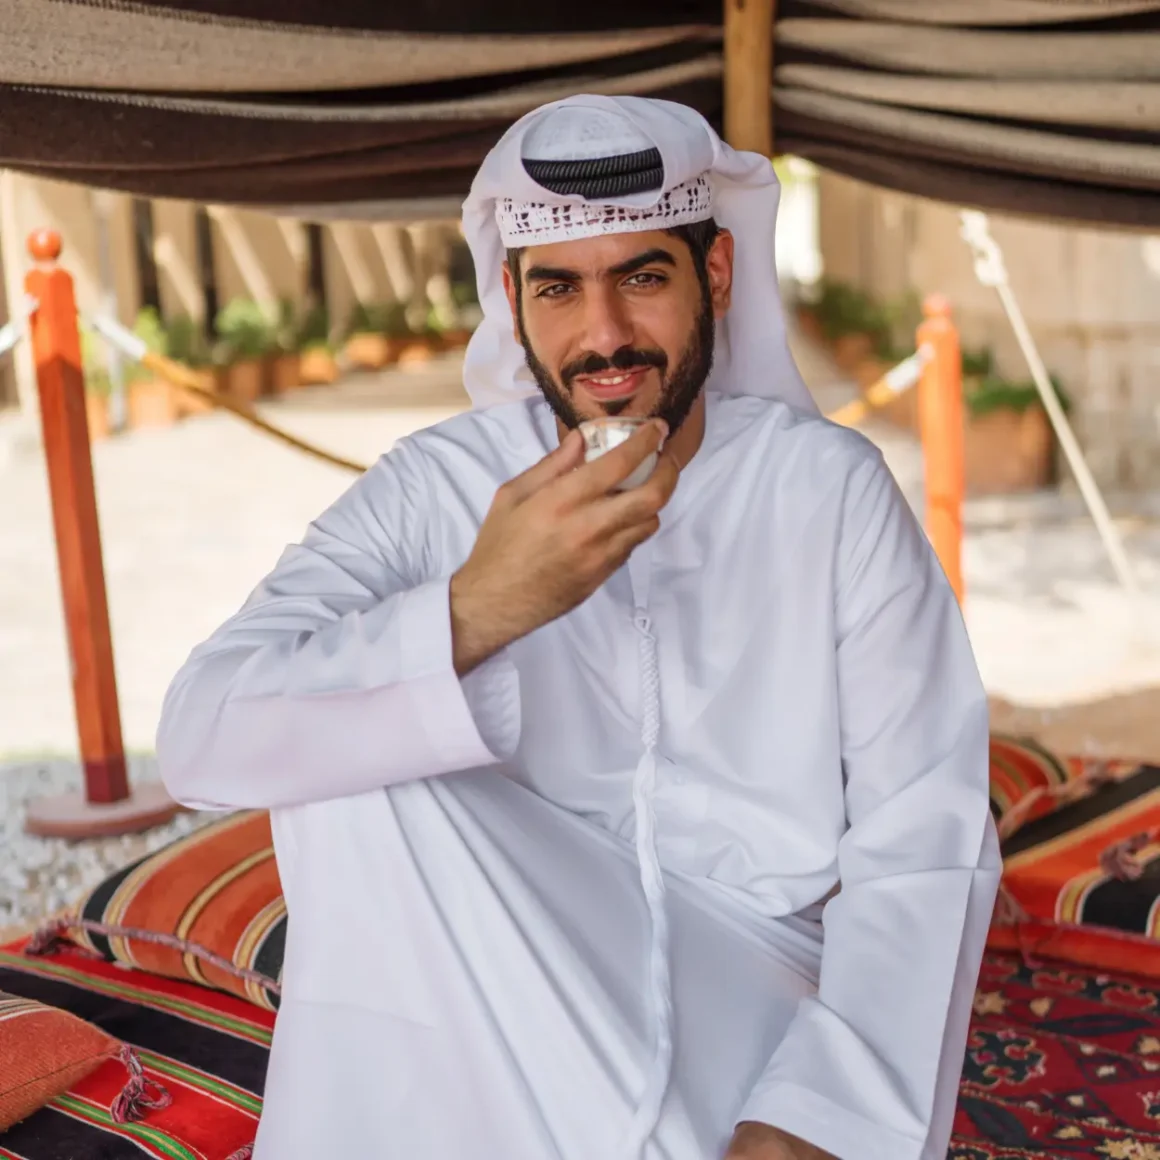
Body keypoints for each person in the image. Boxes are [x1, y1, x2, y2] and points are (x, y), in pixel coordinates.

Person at [157, 95, 1001, 1160]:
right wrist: (476, 608)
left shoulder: (825, 492)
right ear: (510, 300)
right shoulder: (436, 489)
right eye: (558, 287)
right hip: (504, 963)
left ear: (716, 276)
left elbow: (922, 835)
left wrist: (809, 1120)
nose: (602, 334)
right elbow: (201, 732)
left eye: (642, 276)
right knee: (346, 755)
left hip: (753, 978)